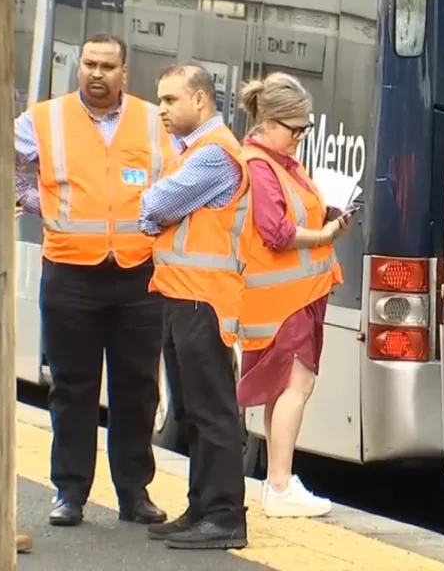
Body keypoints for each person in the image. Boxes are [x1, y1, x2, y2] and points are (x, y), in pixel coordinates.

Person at [14, 33, 174, 527]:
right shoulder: (43, 119)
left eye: (107, 66)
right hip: (70, 272)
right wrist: (37, 200)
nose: (97, 74)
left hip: (138, 275)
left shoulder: (153, 121)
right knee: (72, 387)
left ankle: (134, 493)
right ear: (79, 67)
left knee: (138, 389)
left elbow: (178, 177)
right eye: (89, 64)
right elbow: (12, 164)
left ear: (125, 72)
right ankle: (70, 493)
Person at [139, 62, 250, 549]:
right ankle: (202, 506)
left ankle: (225, 516)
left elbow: (156, 205)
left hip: (203, 300)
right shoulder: (194, 153)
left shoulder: (213, 154)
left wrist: (149, 207)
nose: (162, 109)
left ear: (200, 101)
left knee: (212, 409)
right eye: (160, 100)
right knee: (189, 407)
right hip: (182, 295)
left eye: (170, 100)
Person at [235, 72, 348, 518]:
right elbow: (276, 232)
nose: (301, 137)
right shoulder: (261, 166)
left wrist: (329, 220)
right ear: (270, 121)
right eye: (295, 128)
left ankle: (276, 481)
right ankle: (280, 485)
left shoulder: (280, 164)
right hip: (285, 300)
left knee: (281, 389)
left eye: (306, 128)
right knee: (297, 386)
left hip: (291, 296)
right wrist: (324, 235)